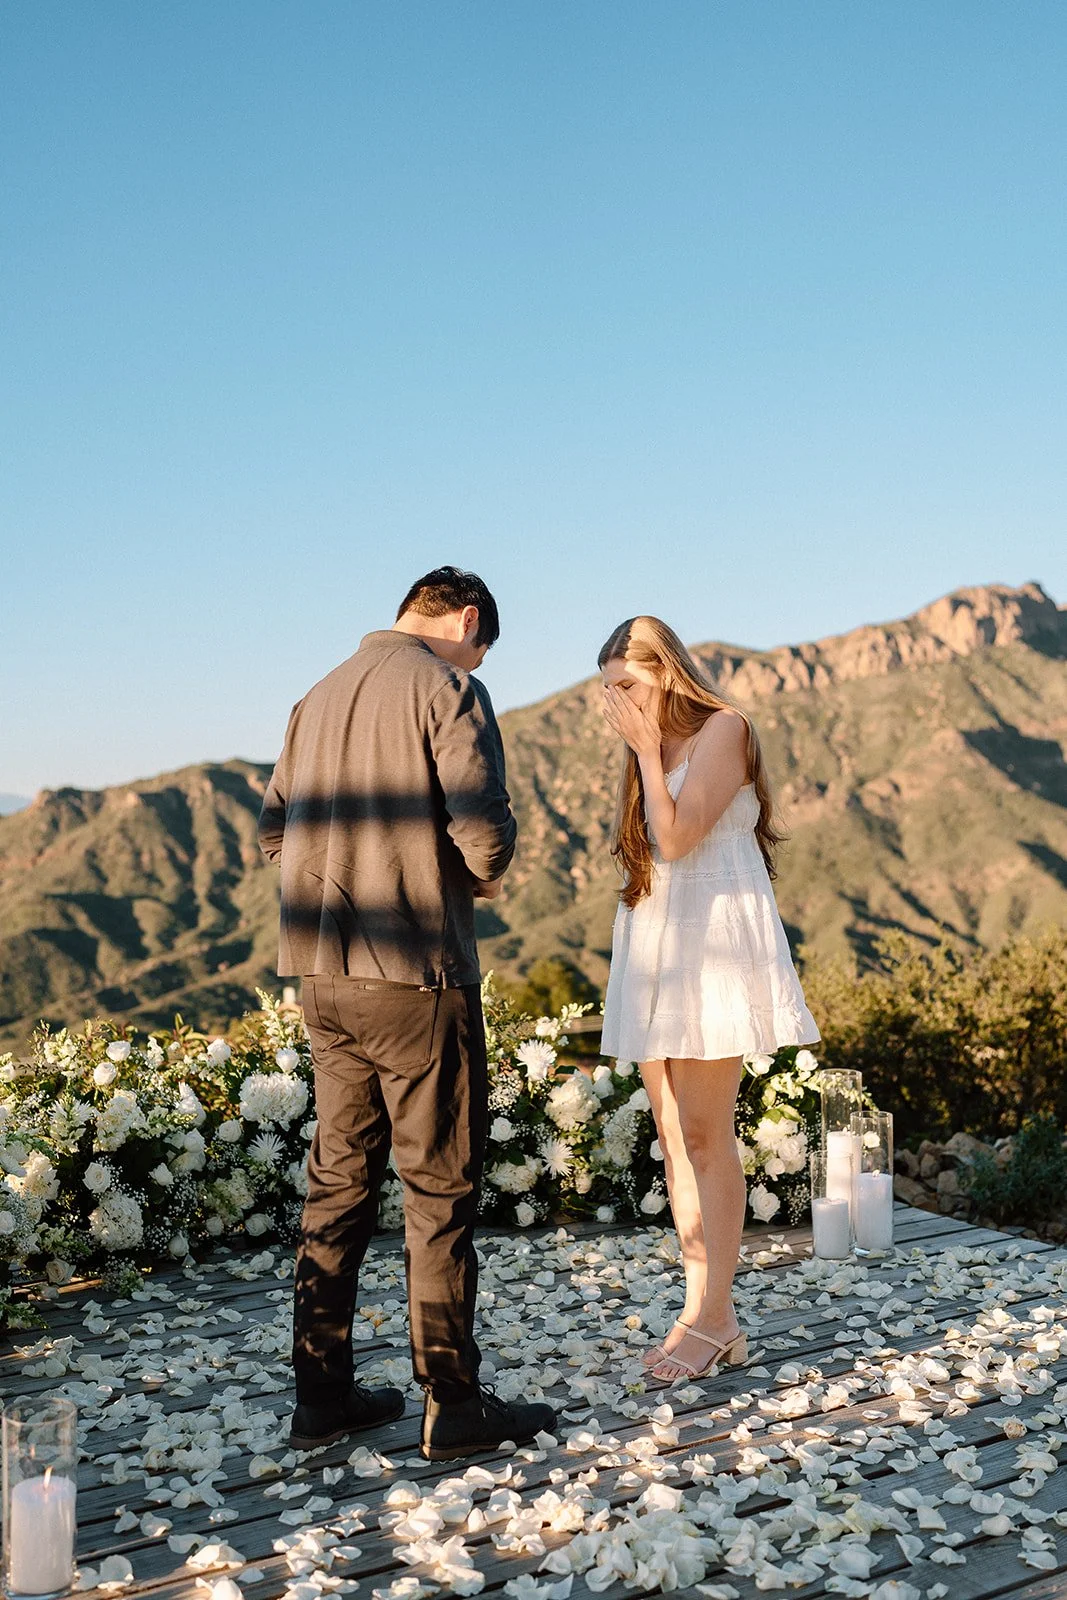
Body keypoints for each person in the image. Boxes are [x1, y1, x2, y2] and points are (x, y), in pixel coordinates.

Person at [258, 566, 556, 1459]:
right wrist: (473, 875)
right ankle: (453, 1407)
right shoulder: (450, 687)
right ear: (468, 620)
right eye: (481, 641)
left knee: (337, 1184)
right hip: (418, 979)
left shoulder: (316, 696)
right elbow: (484, 830)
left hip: (320, 975)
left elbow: (275, 832)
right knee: (439, 1191)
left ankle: (323, 1396)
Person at [598, 616, 819, 1382]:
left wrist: (645, 753)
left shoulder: (724, 729)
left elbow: (682, 837)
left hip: (712, 947)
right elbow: (649, 856)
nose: (616, 703)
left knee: (703, 1132)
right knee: (672, 1136)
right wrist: (645, 756)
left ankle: (716, 1316)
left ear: (665, 671)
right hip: (658, 942)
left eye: (626, 686)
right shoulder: (650, 753)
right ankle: (698, 1310)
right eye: (607, 693)